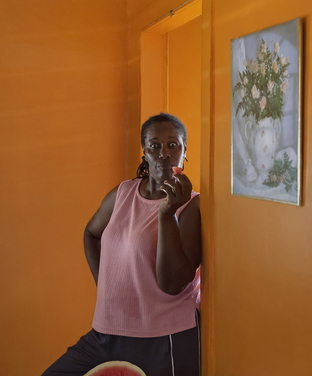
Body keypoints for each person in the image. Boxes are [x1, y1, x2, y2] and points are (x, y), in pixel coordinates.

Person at [43, 113, 201, 376]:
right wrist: (105, 288)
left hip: (165, 337)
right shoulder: (122, 193)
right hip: (106, 331)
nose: (164, 153)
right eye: (154, 145)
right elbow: (91, 234)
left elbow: (172, 284)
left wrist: (166, 212)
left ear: (185, 152)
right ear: (144, 153)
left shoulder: (192, 206)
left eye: (173, 145)